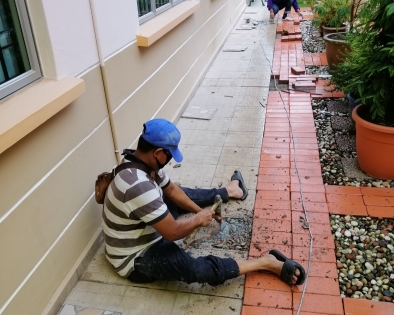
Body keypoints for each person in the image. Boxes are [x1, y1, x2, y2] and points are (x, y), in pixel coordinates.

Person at [102, 118, 306, 287]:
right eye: (170, 154)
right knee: (195, 269)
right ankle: (266, 262)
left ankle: (230, 190)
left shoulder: (140, 163)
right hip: (136, 258)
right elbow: (172, 232)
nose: (171, 159)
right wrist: (199, 219)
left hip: (145, 229)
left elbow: (172, 190)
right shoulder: (139, 185)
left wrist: (200, 210)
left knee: (183, 192)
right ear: (158, 153)